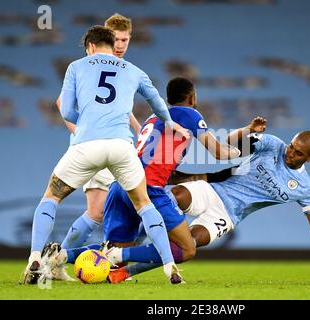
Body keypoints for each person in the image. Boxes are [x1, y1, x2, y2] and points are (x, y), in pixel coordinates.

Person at [22, 25, 190, 285]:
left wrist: (87, 124)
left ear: (89, 47)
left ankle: (35, 257)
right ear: (113, 46)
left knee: (51, 197)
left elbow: (66, 110)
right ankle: (170, 266)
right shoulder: (133, 70)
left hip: (86, 146)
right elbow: (156, 99)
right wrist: (169, 122)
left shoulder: (76, 66)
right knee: (144, 205)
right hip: (122, 147)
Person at [108, 118, 310, 282]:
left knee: (189, 245)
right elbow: (227, 145)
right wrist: (247, 131)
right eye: (291, 146)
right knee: (174, 196)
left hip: (228, 215)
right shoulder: (272, 144)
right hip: (215, 190)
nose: (290, 152)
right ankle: (125, 248)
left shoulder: (305, 189)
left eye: (298, 153)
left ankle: (125, 267)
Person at [40, 76, 242, 282]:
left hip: (121, 186)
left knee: (117, 256)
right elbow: (218, 152)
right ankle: (117, 255)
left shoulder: (153, 119)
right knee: (187, 248)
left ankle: (61, 255)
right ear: (192, 97)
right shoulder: (189, 114)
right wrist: (239, 151)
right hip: (147, 190)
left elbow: (159, 165)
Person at [56, 14, 142, 251]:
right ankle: (59, 259)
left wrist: (138, 129)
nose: (120, 45)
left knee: (114, 209)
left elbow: (120, 108)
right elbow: (61, 103)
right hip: (96, 144)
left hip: (118, 144)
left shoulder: (122, 69)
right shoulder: (88, 65)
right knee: (102, 211)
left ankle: (61, 260)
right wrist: (83, 132)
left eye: (125, 40)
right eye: (116, 39)